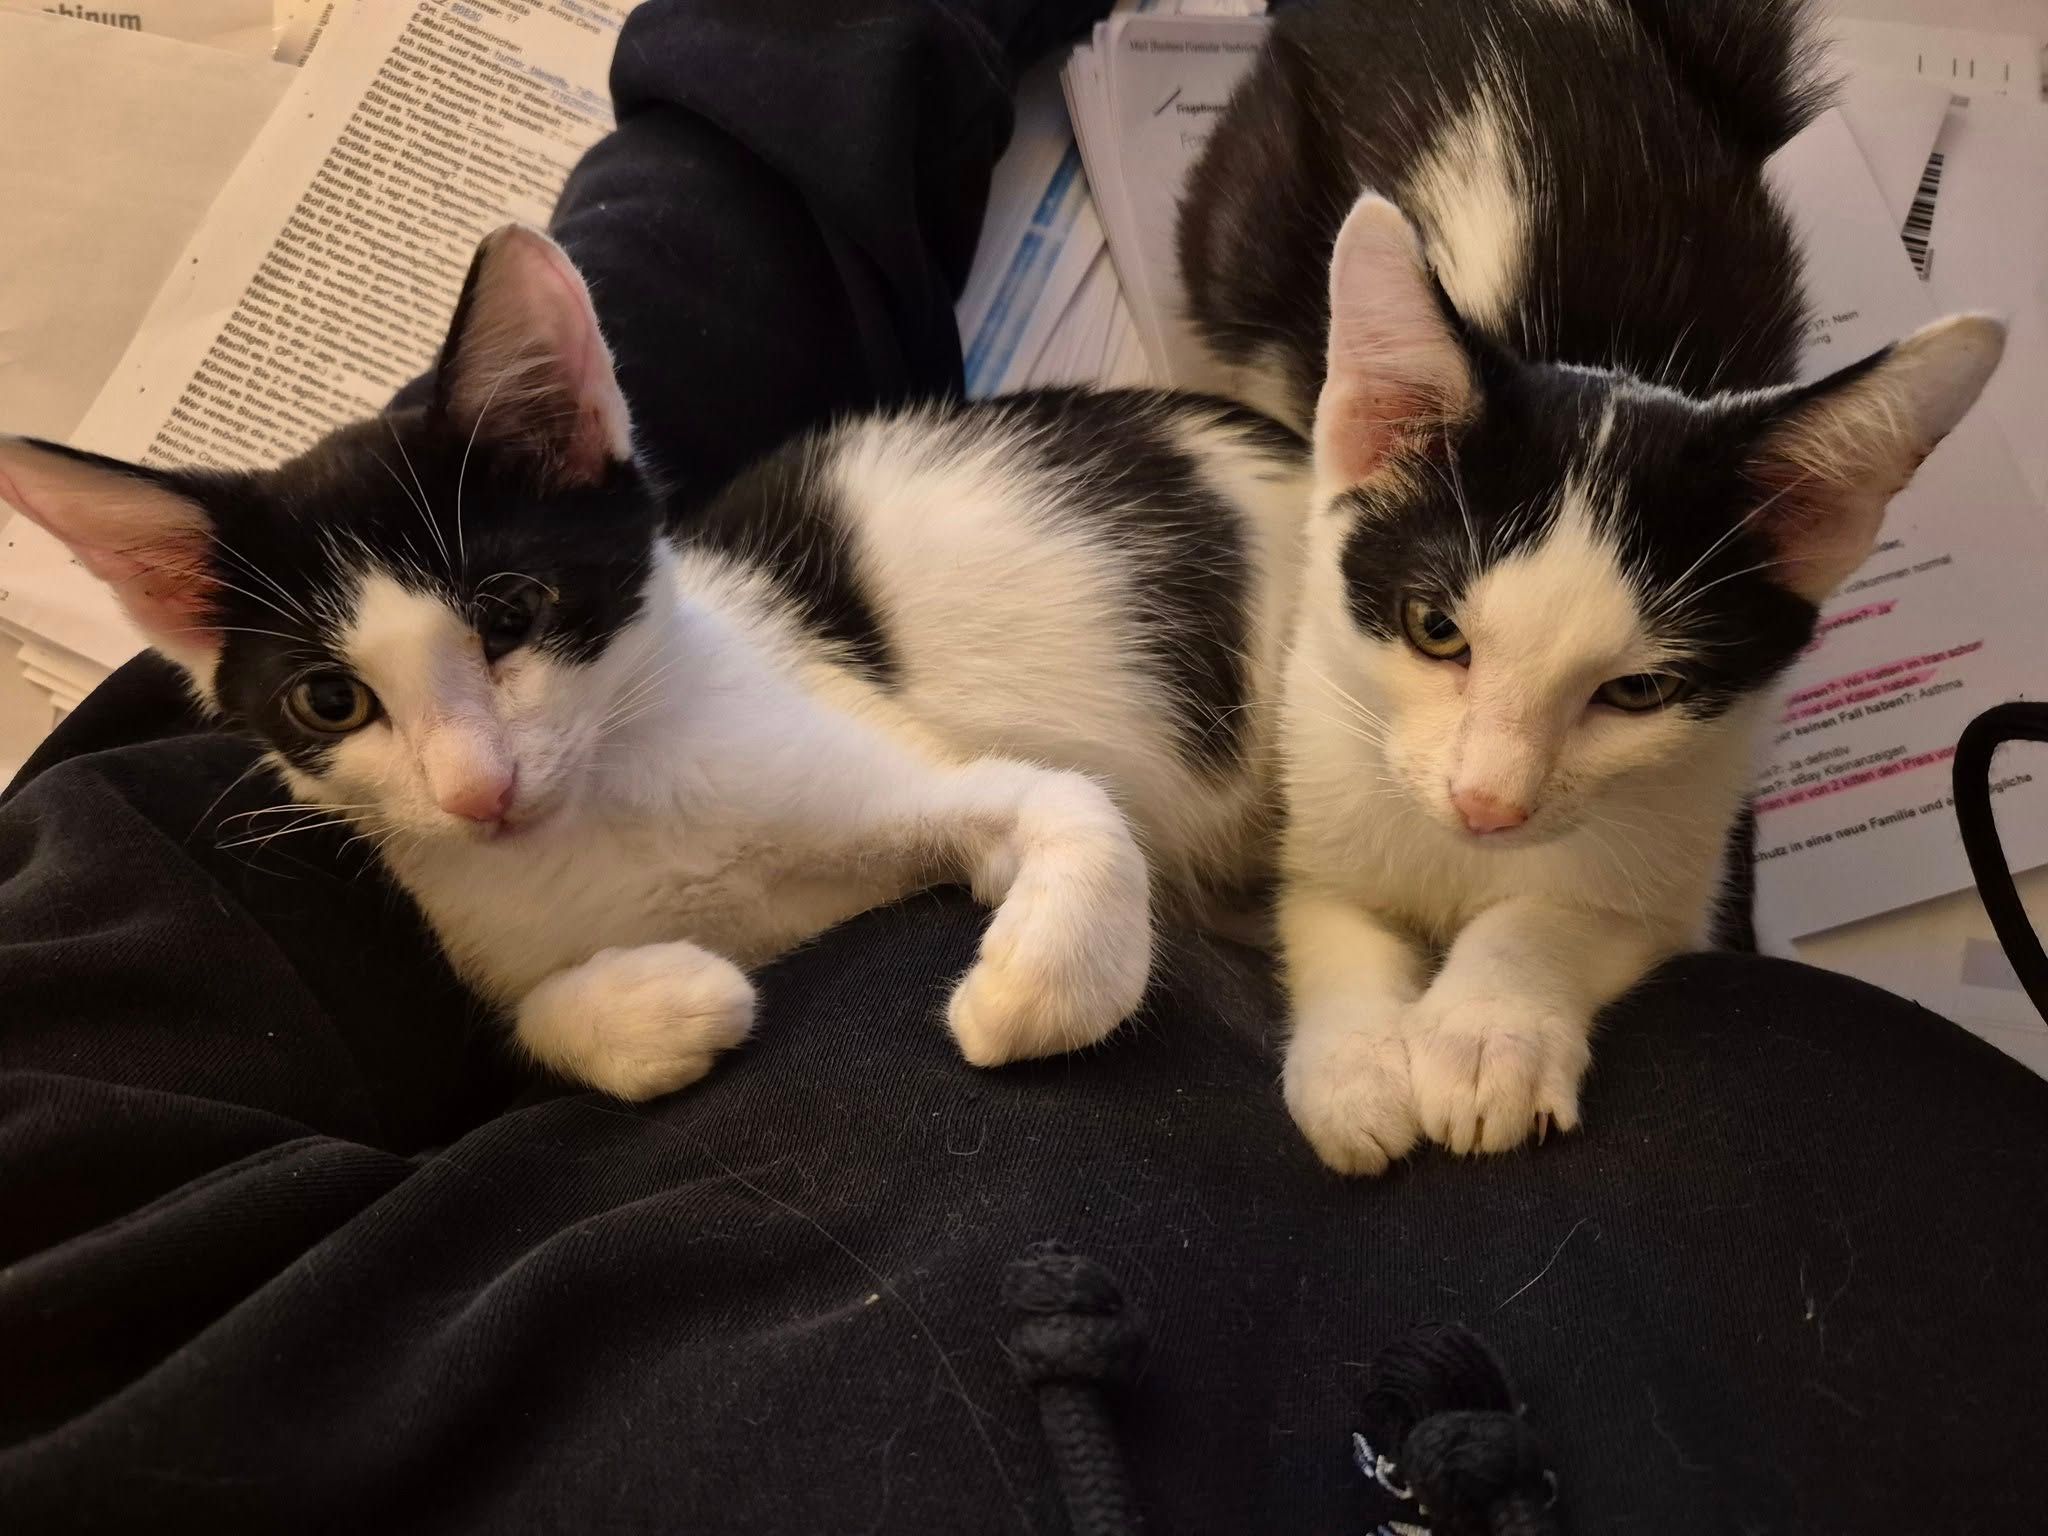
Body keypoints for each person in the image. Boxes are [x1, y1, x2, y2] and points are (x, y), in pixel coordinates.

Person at [5, 3, 2044, 1530]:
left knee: (691, 319)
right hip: (1701, 1180)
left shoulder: (108, 1224)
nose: (465, 776)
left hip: (1050, 870)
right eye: (349, 713)